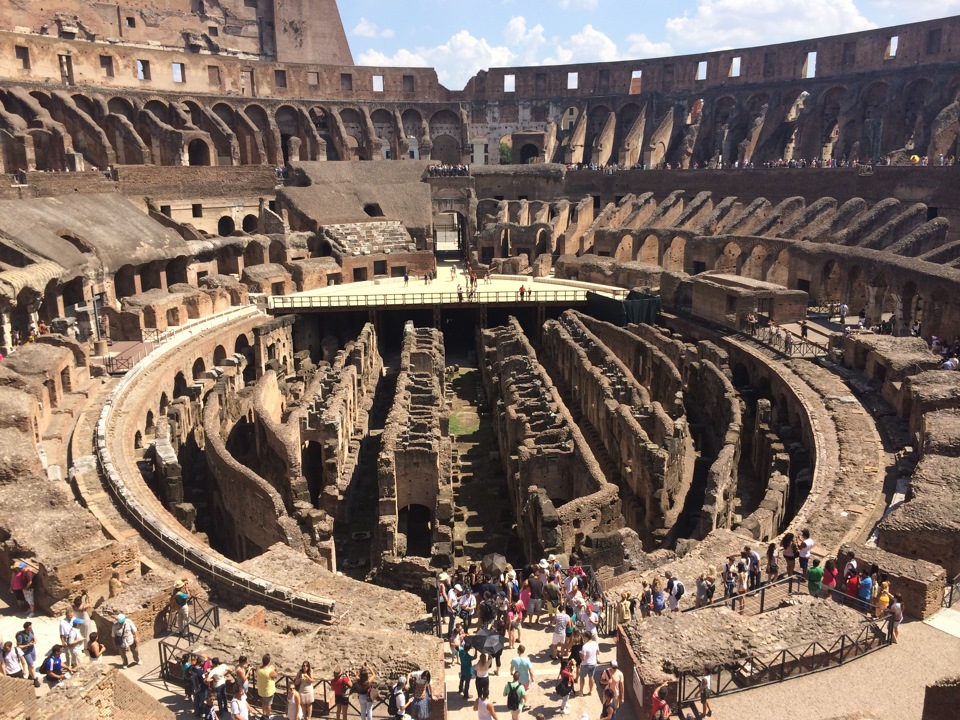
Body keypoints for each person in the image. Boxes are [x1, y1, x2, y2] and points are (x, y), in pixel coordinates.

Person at [15, 621, 40, 687]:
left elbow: (34, 637)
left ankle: (30, 675)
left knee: (31, 665)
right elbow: (18, 646)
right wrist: (27, 645)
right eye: (30, 627)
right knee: (31, 665)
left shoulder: (31, 631)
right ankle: (35, 679)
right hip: (26, 652)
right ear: (26, 628)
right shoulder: (20, 636)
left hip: (32, 650)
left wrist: (34, 641)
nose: (31, 628)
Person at [257, 654, 279, 720]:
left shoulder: (258, 668)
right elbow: (276, 675)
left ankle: (264, 714)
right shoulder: (269, 671)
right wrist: (273, 668)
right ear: (268, 662)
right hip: (268, 690)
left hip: (261, 689)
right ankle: (267, 716)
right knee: (269, 704)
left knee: (263, 702)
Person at [579, 632, 599, 697]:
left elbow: (583, 658)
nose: (583, 638)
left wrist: (580, 654)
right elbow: (598, 653)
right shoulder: (595, 644)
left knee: (582, 677)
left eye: (584, 637)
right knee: (591, 677)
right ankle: (590, 691)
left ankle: (581, 691)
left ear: (587, 637)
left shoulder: (584, 646)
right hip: (593, 664)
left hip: (585, 664)